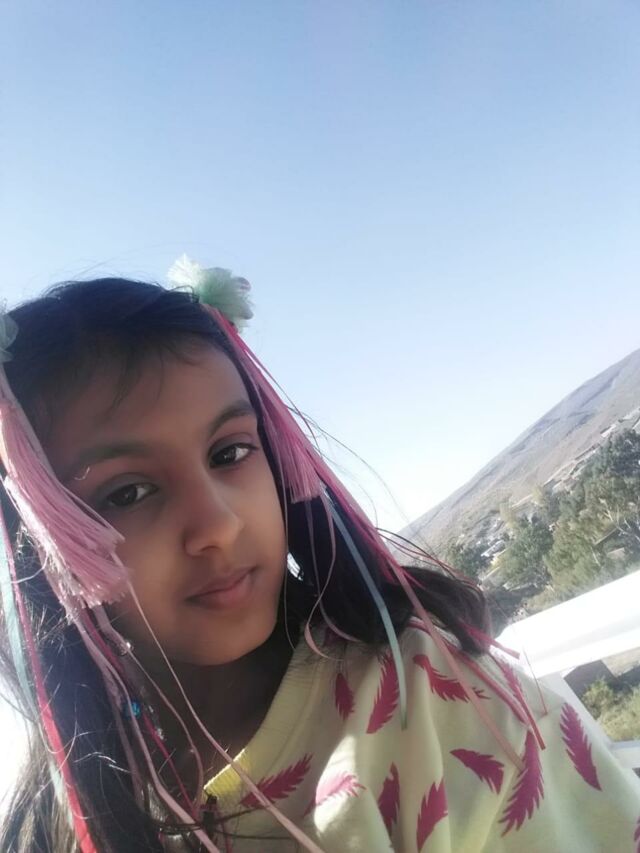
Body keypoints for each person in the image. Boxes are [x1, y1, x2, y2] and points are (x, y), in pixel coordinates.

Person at [0, 257, 638, 853]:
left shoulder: (436, 709)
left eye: (230, 452)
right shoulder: (55, 820)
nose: (218, 524)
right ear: (35, 543)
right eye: (128, 493)